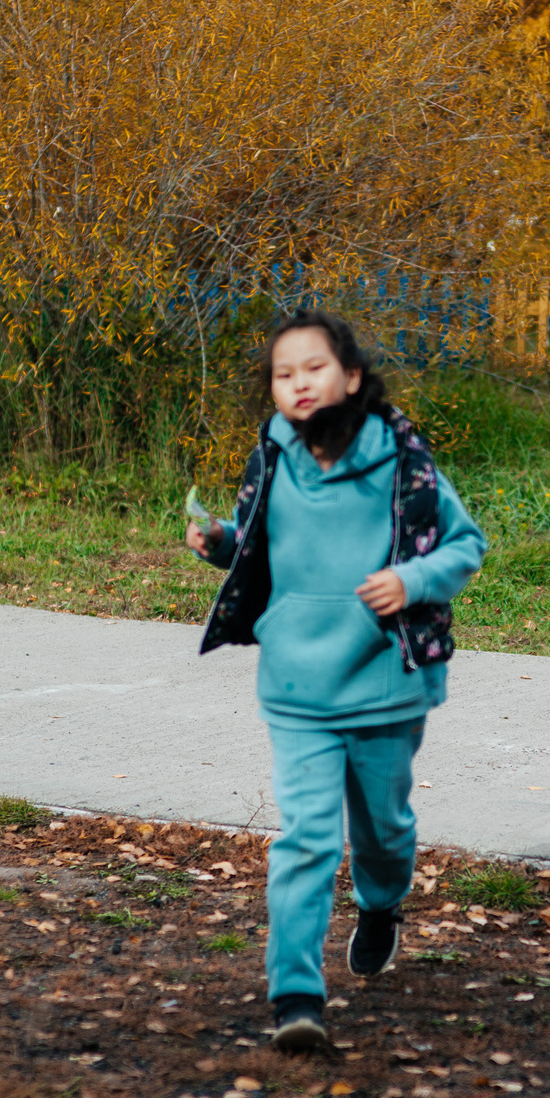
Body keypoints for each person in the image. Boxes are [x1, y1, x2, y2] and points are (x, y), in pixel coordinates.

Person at [188, 310, 487, 1052]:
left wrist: (413, 579)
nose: (298, 383)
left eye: (313, 368)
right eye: (283, 373)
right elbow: (256, 545)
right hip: (297, 686)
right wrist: (220, 542)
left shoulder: (401, 459)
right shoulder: (272, 456)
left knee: (382, 830)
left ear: (351, 377)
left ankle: (381, 904)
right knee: (306, 840)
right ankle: (296, 997)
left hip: (385, 684)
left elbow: (464, 544)